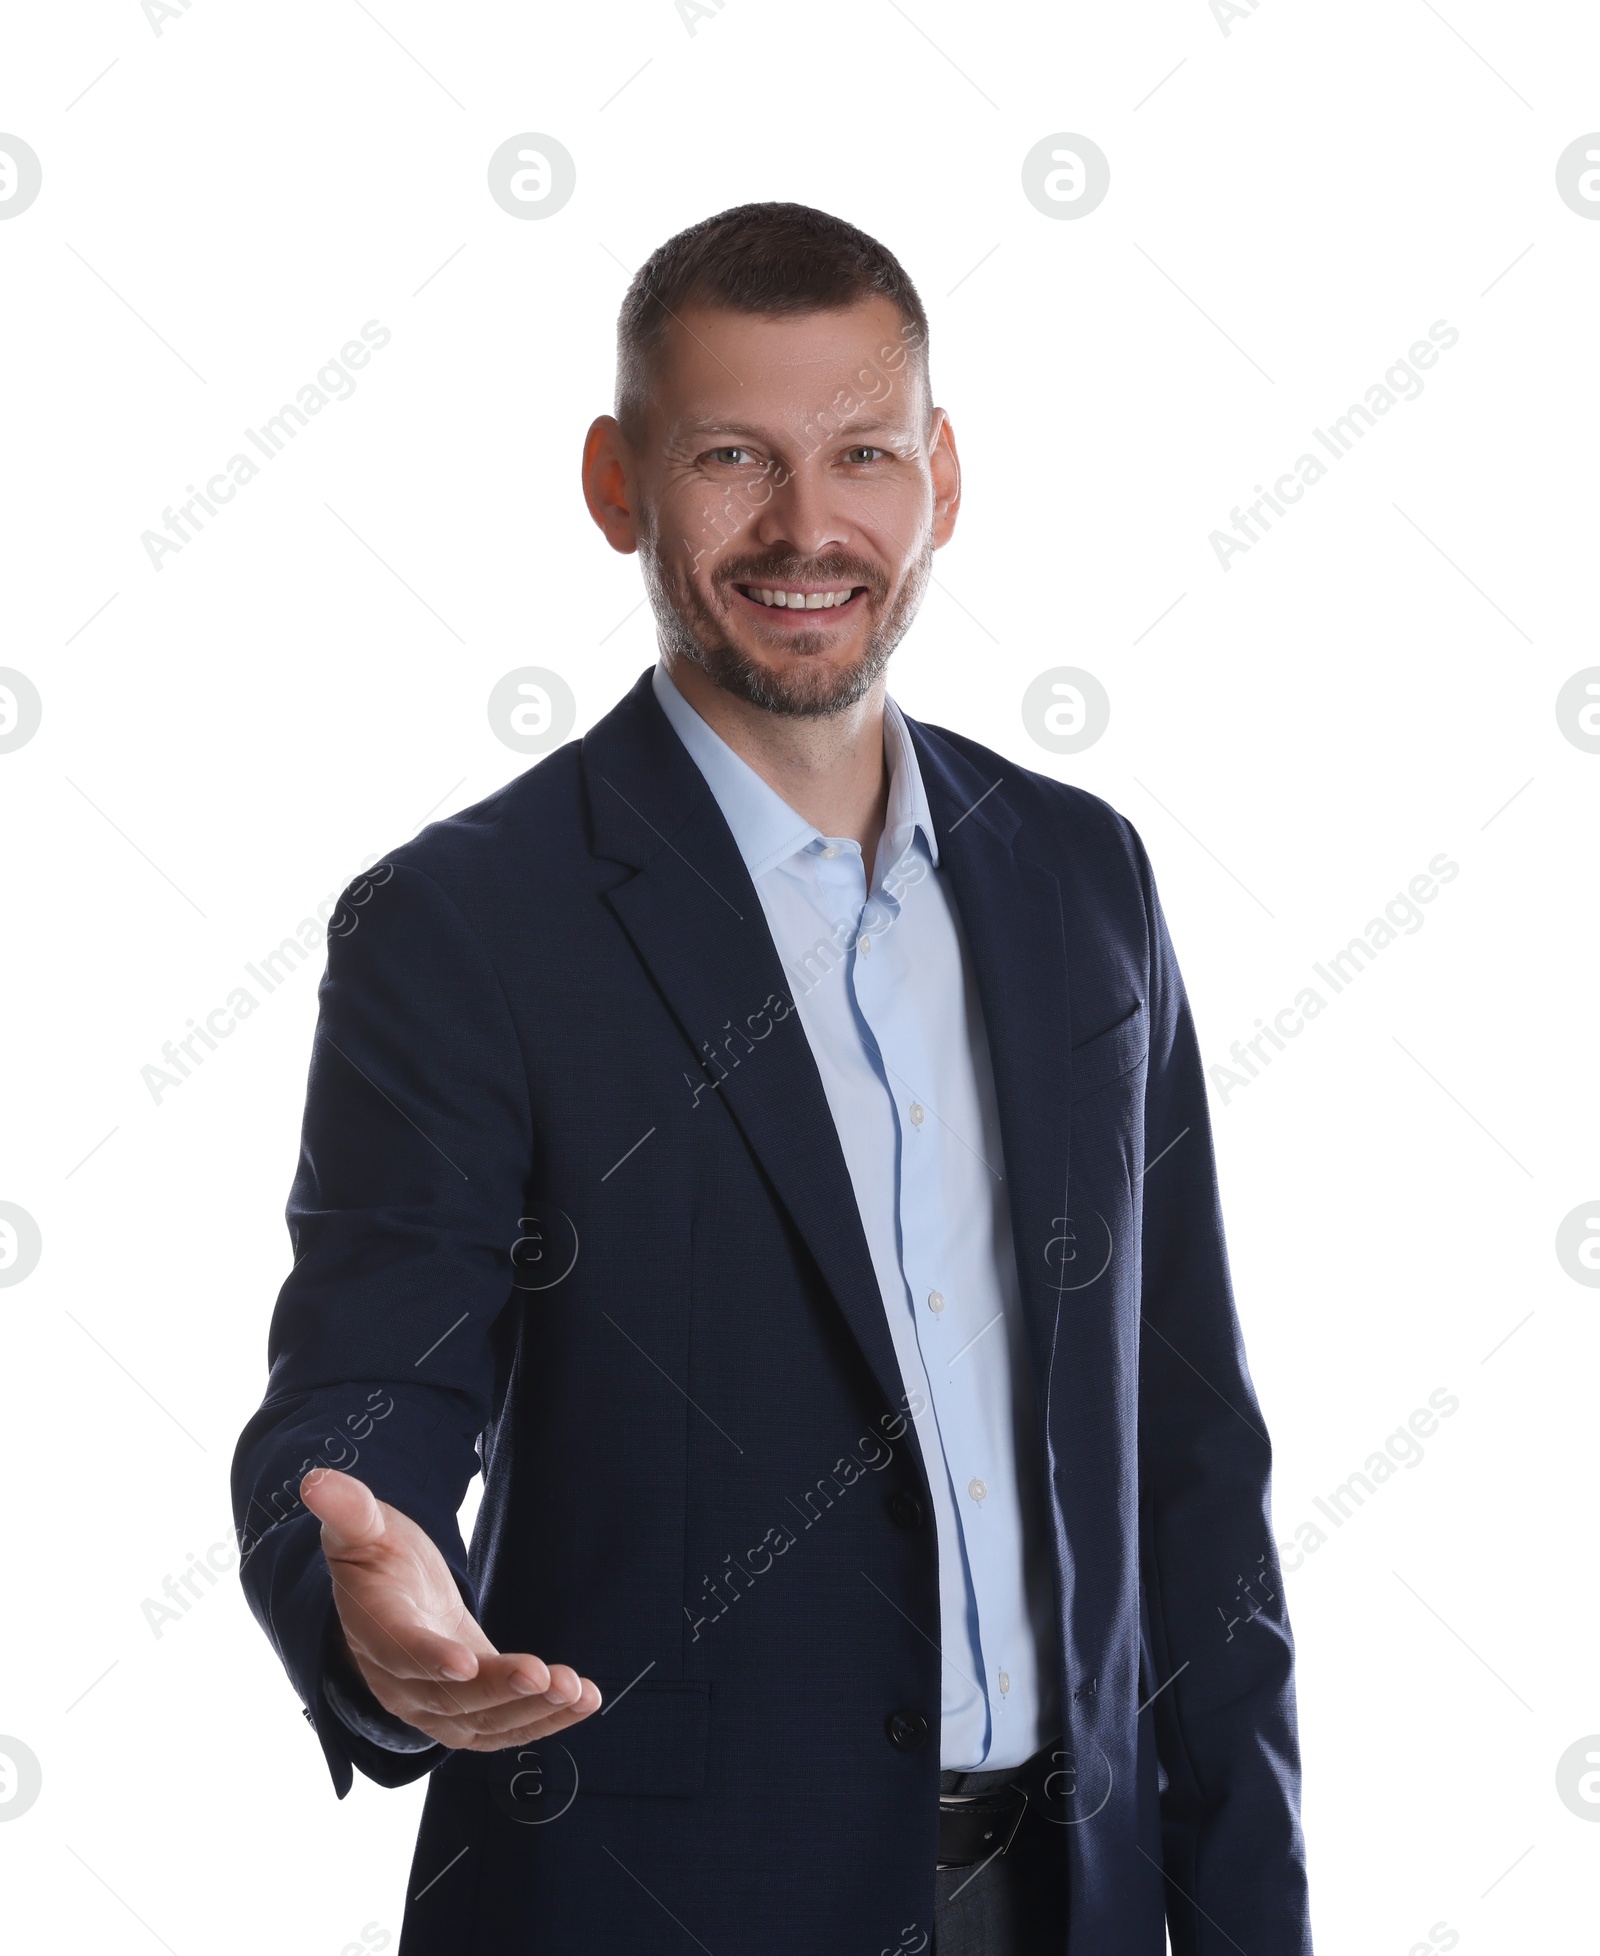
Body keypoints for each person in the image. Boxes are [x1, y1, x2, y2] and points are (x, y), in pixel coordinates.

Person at [232, 201, 1312, 1956]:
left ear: (940, 479)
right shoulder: (465, 924)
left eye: (862, 456)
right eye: (734, 458)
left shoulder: (1080, 879)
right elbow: (369, 1386)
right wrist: (371, 1608)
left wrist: (1250, 1918)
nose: (809, 528)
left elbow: (1189, 1450)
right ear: (616, 484)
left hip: (1073, 1903)